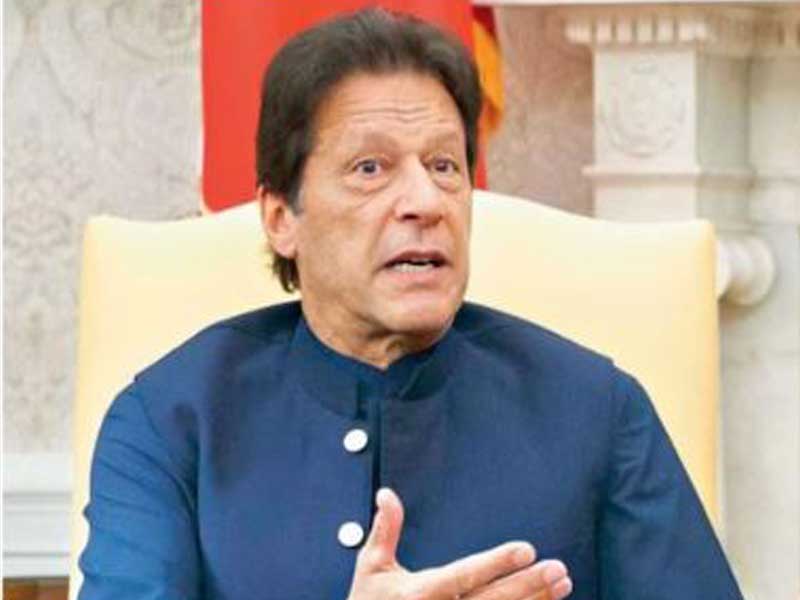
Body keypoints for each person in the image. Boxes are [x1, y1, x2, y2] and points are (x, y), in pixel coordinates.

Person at [78, 8, 743, 600]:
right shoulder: (170, 422)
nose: (425, 202)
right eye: (370, 168)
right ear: (281, 218)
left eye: (445, 166)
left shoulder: (596, 409)